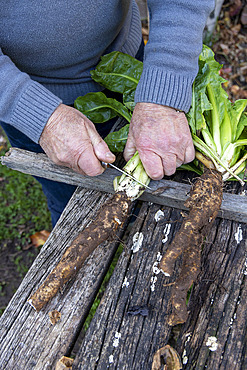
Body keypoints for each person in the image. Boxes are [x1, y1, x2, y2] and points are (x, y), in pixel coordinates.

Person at [0, 0, 214, 226]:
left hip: (128, 66)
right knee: (68, 204)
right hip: (29, 97)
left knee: (154, 199)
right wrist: (40, 117)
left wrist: (162, 97)